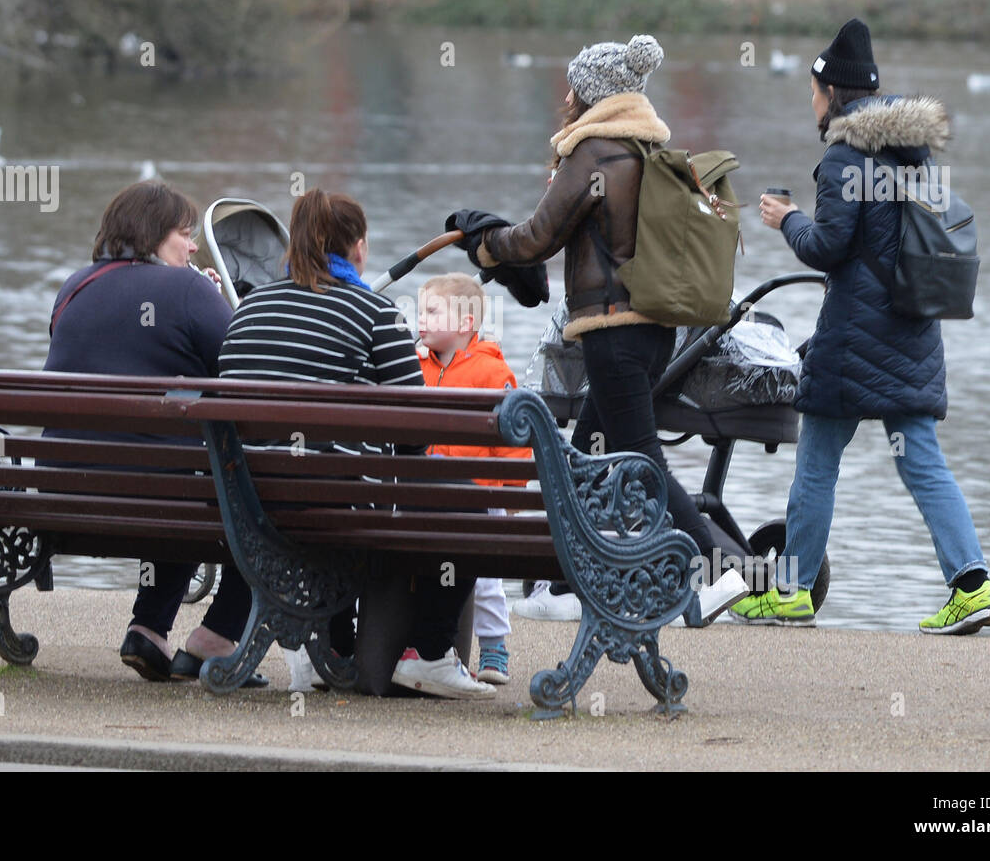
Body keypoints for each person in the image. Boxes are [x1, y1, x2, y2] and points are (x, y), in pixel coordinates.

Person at [452, 34, 739, 624]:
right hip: (653, 333)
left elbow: (537, 236)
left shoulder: (595, 153)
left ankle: (715, 571)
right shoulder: (645, 150)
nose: (565, 95)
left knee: (640, 456)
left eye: (571, 85)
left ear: (588, 92)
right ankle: (560, 583)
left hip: (613, 332)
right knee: (584, 456)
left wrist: (483, 245)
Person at [739, 18, 990, 633]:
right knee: (922, 462)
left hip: (854, 340)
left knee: (816, 460)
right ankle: (974, 584)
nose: (812, 104)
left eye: (813, 92)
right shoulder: (915, 155)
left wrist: (786, 219)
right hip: (912, 331)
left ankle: (794, 589)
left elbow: (828, 246)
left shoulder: (842, 156)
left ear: (835, 94)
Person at [218, 188, 494, 699]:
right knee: (469, 502)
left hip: (246, 504)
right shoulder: (375, 311)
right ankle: (430, 653)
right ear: (358, 248)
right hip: (336, 507)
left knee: (337, 473)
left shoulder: (248, 310)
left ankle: (332, 650)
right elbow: (416, 430)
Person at [43, 181, 264, 683]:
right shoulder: (187, 288)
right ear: (152, 235)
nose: (192, 246)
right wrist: (208, 296)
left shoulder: (74, 286)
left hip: (62, 494)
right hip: (162, 497)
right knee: (249, 491)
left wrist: (194, 295)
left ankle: (150, 630)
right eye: (185, 234)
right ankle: (216, 637)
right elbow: (246, 371)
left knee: (168, 466)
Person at [417, 272, 530, 684]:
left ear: (466, 323)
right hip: (427, 496)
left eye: (432, 311)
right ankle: (430, 647)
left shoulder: (490, 371)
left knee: (484, 581)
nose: (421, 319)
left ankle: (494, 647)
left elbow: (514, 440)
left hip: (480, 496)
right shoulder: (417, 367)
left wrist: (513, 492)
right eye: (420, 310)